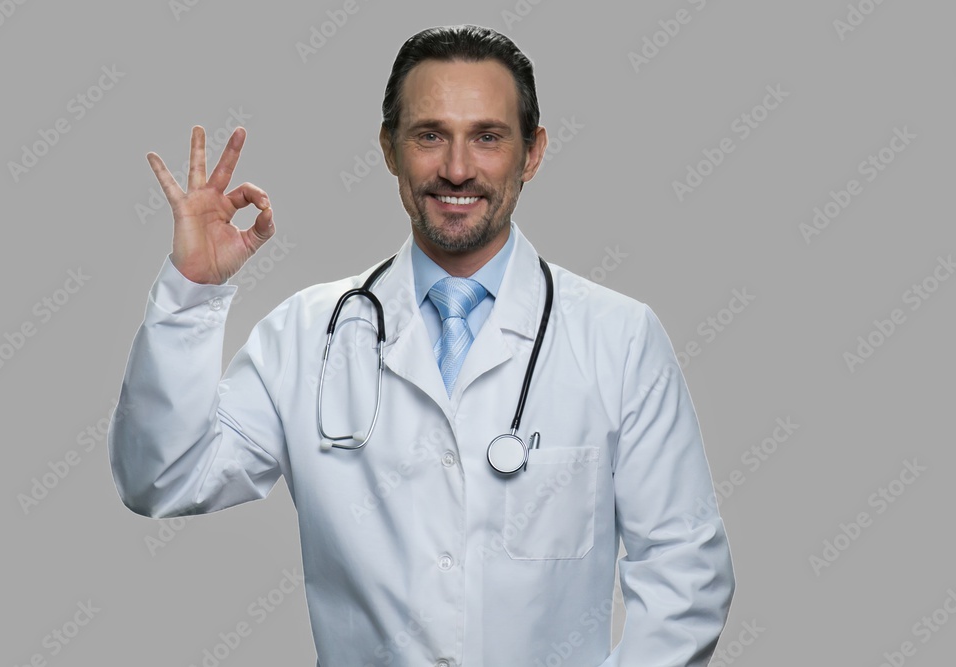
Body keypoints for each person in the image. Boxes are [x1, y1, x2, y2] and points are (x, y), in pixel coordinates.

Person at [109, 24, 735, 667]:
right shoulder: (307, 335)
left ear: (532, 153)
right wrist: (191, 292)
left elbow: (686, 571)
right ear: (389, 148)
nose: (457, 169)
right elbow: (161, 477)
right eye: (430, 135)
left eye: (487, 137)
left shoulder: (619, 339)